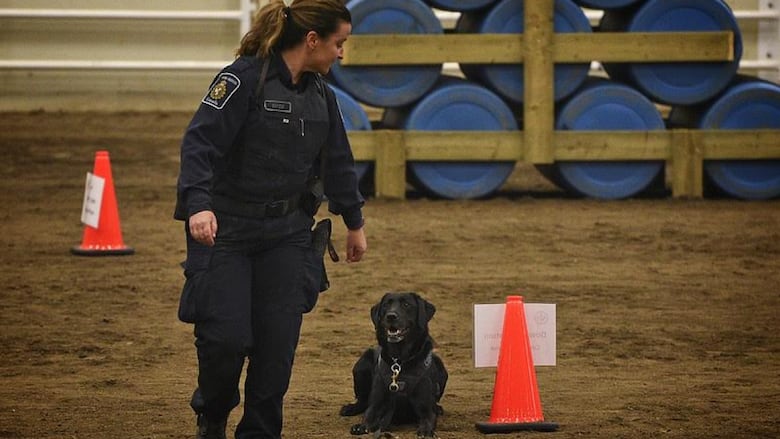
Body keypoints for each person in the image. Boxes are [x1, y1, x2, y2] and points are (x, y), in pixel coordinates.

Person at [173, 0, 367, 438]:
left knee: (277, 346)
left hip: (288, 235)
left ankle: (260, 432)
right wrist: (198, 204)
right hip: (227, 232)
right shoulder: (241, 79)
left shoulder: (323, 96)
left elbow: (338, 162)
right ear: (312, 40)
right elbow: (199, 144)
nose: (341, 54)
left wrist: (354, 222)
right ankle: (215, 411)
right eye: (339, 44)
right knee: (226, 339)